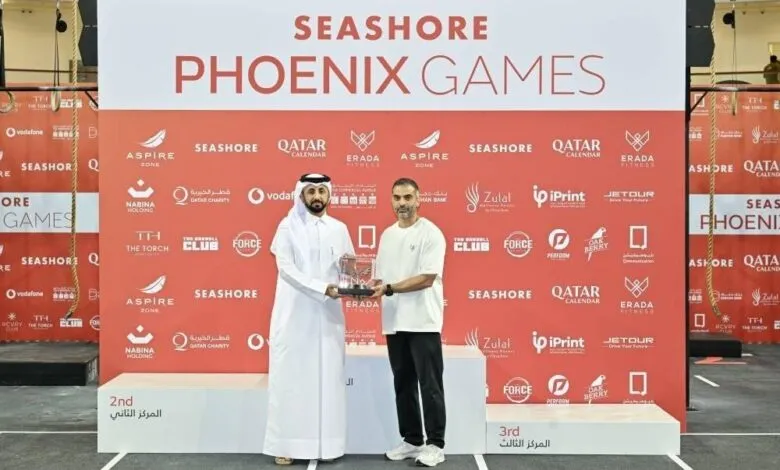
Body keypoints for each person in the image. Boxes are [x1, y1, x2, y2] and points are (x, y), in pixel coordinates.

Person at [263, 173, 356, 466]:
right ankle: (286, 444)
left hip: (328, 316)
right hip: (294, 316)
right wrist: (322, 288)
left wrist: (359, 282)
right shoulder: (287, 226)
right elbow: (286, 269)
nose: (317, 197)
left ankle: (327, 445)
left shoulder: (339, 228)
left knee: (328, 380)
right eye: (311, 191)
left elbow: (349, 265)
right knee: (291, 380)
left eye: (321, 191)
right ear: (301, 195)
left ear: (329, 195)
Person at [370, 177, 447, 468]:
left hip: (423, 322)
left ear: (419, 199)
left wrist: (388, 288)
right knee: (403, 383)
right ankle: (413, 440)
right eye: (397, 198)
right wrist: (367, 288)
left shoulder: (432, 233)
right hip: (394, 321)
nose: (402, 203)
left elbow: (427, 278)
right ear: (391, 200)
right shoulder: (387, 235)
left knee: (430, 385)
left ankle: (436, 444)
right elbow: (382, 277)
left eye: (407, 198)